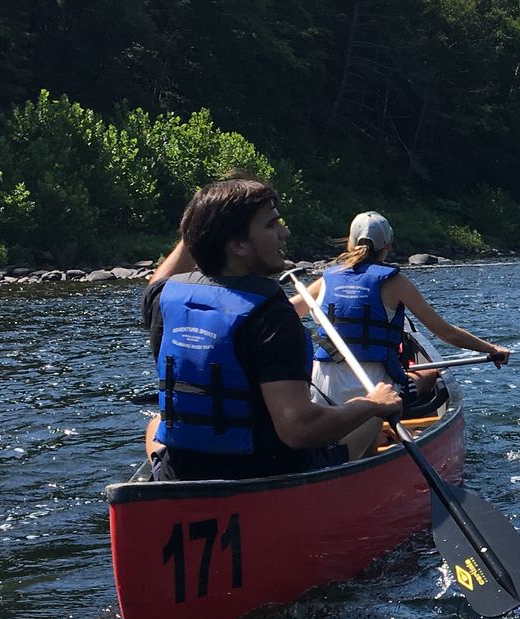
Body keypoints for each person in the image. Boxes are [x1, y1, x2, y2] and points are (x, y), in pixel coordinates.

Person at [141, 178, 403, 481]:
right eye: (271, 225)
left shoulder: (164, 299)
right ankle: (359, 490)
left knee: (154, 425)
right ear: (237, 244)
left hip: (181, 473)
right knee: (370, 418)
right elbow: (299, 429)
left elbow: (157, 281)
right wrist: (370, 404)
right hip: (266, 476)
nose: (284, 232)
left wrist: (205, 220)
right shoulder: (270, 315)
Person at [303, 211, 511, 463]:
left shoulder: (327, 279)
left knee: (360, 449)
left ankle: (367, 450)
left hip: (323, 390)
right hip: (374, 391)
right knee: (432, 373)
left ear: (350, 242)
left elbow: (286, 311)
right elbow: (445, 332)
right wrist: (490, 348)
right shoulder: (395, 282)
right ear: (387, 247)